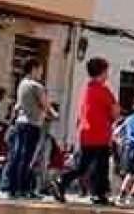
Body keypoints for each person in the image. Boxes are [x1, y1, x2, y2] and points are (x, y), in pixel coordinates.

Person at [54, 55, 116, 205]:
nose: (108, 74)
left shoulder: (87, 89)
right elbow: (115, 111)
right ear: (102, 72)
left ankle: (62, 181)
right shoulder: (103, 90)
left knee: (83, 166)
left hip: (86, 133)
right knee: (101, 166)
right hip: (100, 134)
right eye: (106, 71)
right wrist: (112, 119)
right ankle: (98, 194)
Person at [5, 58, 51, 197]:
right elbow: (45, 105)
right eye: (40, 69)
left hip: (20, 123)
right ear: (33, 69)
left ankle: (12, 188)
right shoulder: (36, 86)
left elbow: (18, 105)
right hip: (32, 124)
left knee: (17, 155)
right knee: (28, 158)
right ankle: (24, 189)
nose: (41, 72)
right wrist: (53, 113)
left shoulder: (22, 84)